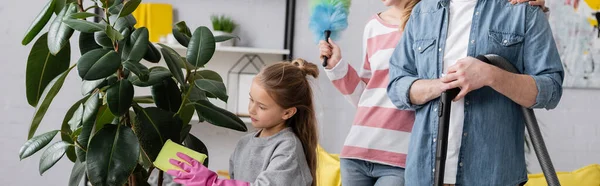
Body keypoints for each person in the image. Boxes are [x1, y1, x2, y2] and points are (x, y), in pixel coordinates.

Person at [386, 0, 563, 185]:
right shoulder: (423, 12)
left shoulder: (522, 10)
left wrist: (491, 74)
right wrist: (444, 85)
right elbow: (397, 86)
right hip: (424, 175)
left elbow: (551, 89)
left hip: (493, 176)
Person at [167, 59, 320, 186]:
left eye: (261, 106)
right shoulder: (244, 143)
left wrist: (210, 182)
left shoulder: (288, 149)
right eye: (251, 99)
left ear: (287, 112)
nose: (251, 109)